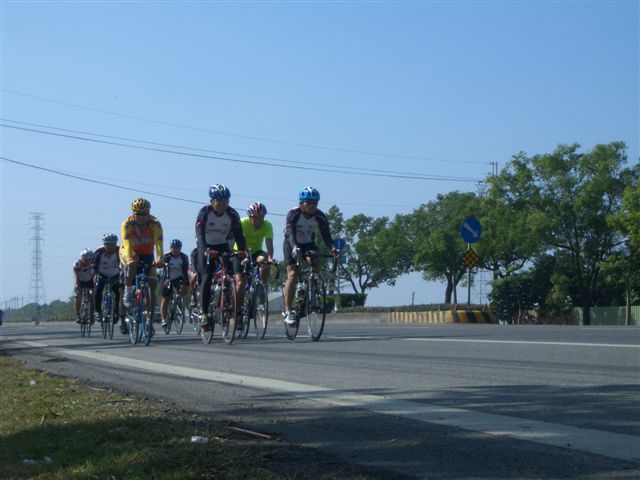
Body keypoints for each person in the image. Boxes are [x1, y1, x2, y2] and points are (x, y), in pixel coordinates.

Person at [282, 186, 339, 325]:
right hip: (291, 243)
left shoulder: (320, 216)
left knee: (316, 260)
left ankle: (310, 288)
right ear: (302, 203)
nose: (313, 205)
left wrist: (333, 249)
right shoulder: (293, 214)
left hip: (308, 243)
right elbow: (290, 234)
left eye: (315, 202)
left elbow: (327, 237)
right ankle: (287, 310)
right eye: (309, 202)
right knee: (292, 274)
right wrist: (295, 247)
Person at [195, 184, 247, 328]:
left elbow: (239, 236)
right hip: (206, 246)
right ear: (212, 201)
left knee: (232, 274)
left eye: (226, 200)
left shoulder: (232, 214)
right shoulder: (204, 213)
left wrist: (242, 251)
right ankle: (204, 314)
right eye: (219, 200)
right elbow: (199, 235)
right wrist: (205, 250)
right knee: (207, 275)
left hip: (223, 244)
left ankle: (232, 307)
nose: (223, 203)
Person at [120, 198, 164, 333]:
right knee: (132, 262)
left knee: (152, 285)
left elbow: (158, 243)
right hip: (129, 251)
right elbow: (127, 244)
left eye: (144, 213)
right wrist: (129, 258)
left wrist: (160, 258)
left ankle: (149, 320)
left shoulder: (155, 224)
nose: (141, 217)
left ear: (149, 213)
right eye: (138, 213)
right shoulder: (127, 224)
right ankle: (128, 292)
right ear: (133, 214)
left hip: (147, 254)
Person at [235, 202, 275, 284]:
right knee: (240, 282)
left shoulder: (267, 224)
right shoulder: (242, 223)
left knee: (264, 261)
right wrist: (246, 256)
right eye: (255, 218)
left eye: (261, 217)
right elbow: (242, 242)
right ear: (250, 217)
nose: (258, 220)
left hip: (256, 251)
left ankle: (263, 286)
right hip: (241, 250)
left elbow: (269, 244)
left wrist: (270, 258)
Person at [93, 233, 123, 325]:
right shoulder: (99, 252)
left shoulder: (120, 251)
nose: (110, 247)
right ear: (104, 244)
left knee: (119, 294)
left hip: (115, 274)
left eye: (113, 244)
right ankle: (98, 312)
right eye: (108, 244)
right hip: (102, 274)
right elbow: (94, 266)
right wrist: (96, 275)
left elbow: (124, 263)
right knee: (98, 293)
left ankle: (116, 312)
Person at [160, 238, 189, 328]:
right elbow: (163, 269)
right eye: (173, 247)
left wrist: (186, 282)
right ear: (171, 248)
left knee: (184, 288)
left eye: (177, 248)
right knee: (166, 298)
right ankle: (163, 319)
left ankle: (178, 301)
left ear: (180, 248)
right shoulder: (166, 256)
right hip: (167, 278)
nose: (175, 249)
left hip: (179, 277)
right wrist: (165, 280)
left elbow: (185, 270)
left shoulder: (184, 257)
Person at [73, 248, 96, 324]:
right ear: (82, 258)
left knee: (92, 297)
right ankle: (78, 314)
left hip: (89, 281)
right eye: (86, 259)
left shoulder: (93, 264)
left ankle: (91, 315)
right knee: (78, 295)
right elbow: (76, 276)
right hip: (80, 281)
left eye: (89, 259)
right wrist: (77, 285)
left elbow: (94, 276)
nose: (87, 261)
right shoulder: (78, 264)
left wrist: (94, 286)